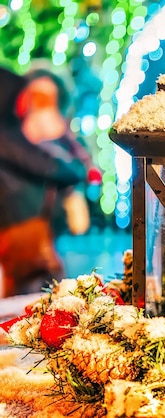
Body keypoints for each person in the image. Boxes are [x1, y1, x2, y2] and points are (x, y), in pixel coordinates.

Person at [0, 67, 87, 296]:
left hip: (44, 249)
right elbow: (57, 169)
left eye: (48, 98)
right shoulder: (10, 140)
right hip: (17, 252)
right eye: (36, 97)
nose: (41, 104)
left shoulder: (59, 139)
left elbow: (80, 168)